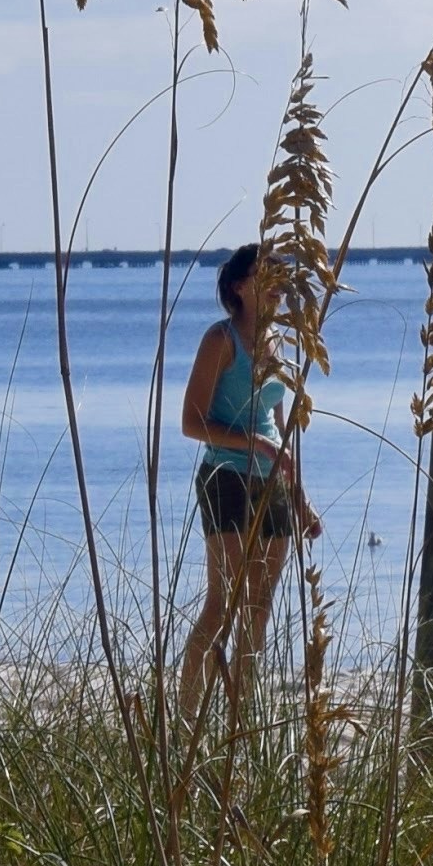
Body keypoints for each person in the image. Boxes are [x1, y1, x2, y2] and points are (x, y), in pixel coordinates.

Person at [173, 242, 316, 726]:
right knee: (225, 600)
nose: (277, 282)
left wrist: (301, 500)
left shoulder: (283, 342)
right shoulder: (222, 339)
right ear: (239, 286)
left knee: (260, 604)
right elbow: (191, 423)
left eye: (280, 273)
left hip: (271, 479)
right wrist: (254, 442)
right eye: (265, 273)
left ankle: (242, 719)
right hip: (225, 474)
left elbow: (279, 430)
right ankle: (186, 716)